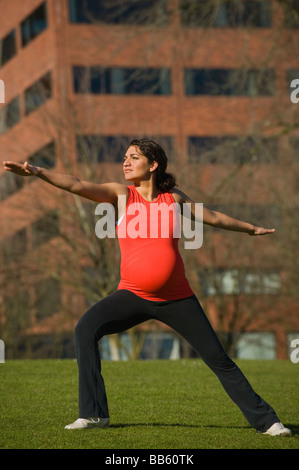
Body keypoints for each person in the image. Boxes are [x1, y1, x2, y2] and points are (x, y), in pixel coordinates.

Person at [2, 138, 292, 436]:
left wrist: (251, 229)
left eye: (134, 157)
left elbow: (214, 217)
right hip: (132, 294)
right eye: (125, 157)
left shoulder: (173, 199)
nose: (125, 162)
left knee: (219, 359)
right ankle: (93, 415)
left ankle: (268, 422)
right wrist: (37, 171)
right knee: (85, 329)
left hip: (177, 298)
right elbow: (76, 184)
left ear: (153, 165)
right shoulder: (121, 195)